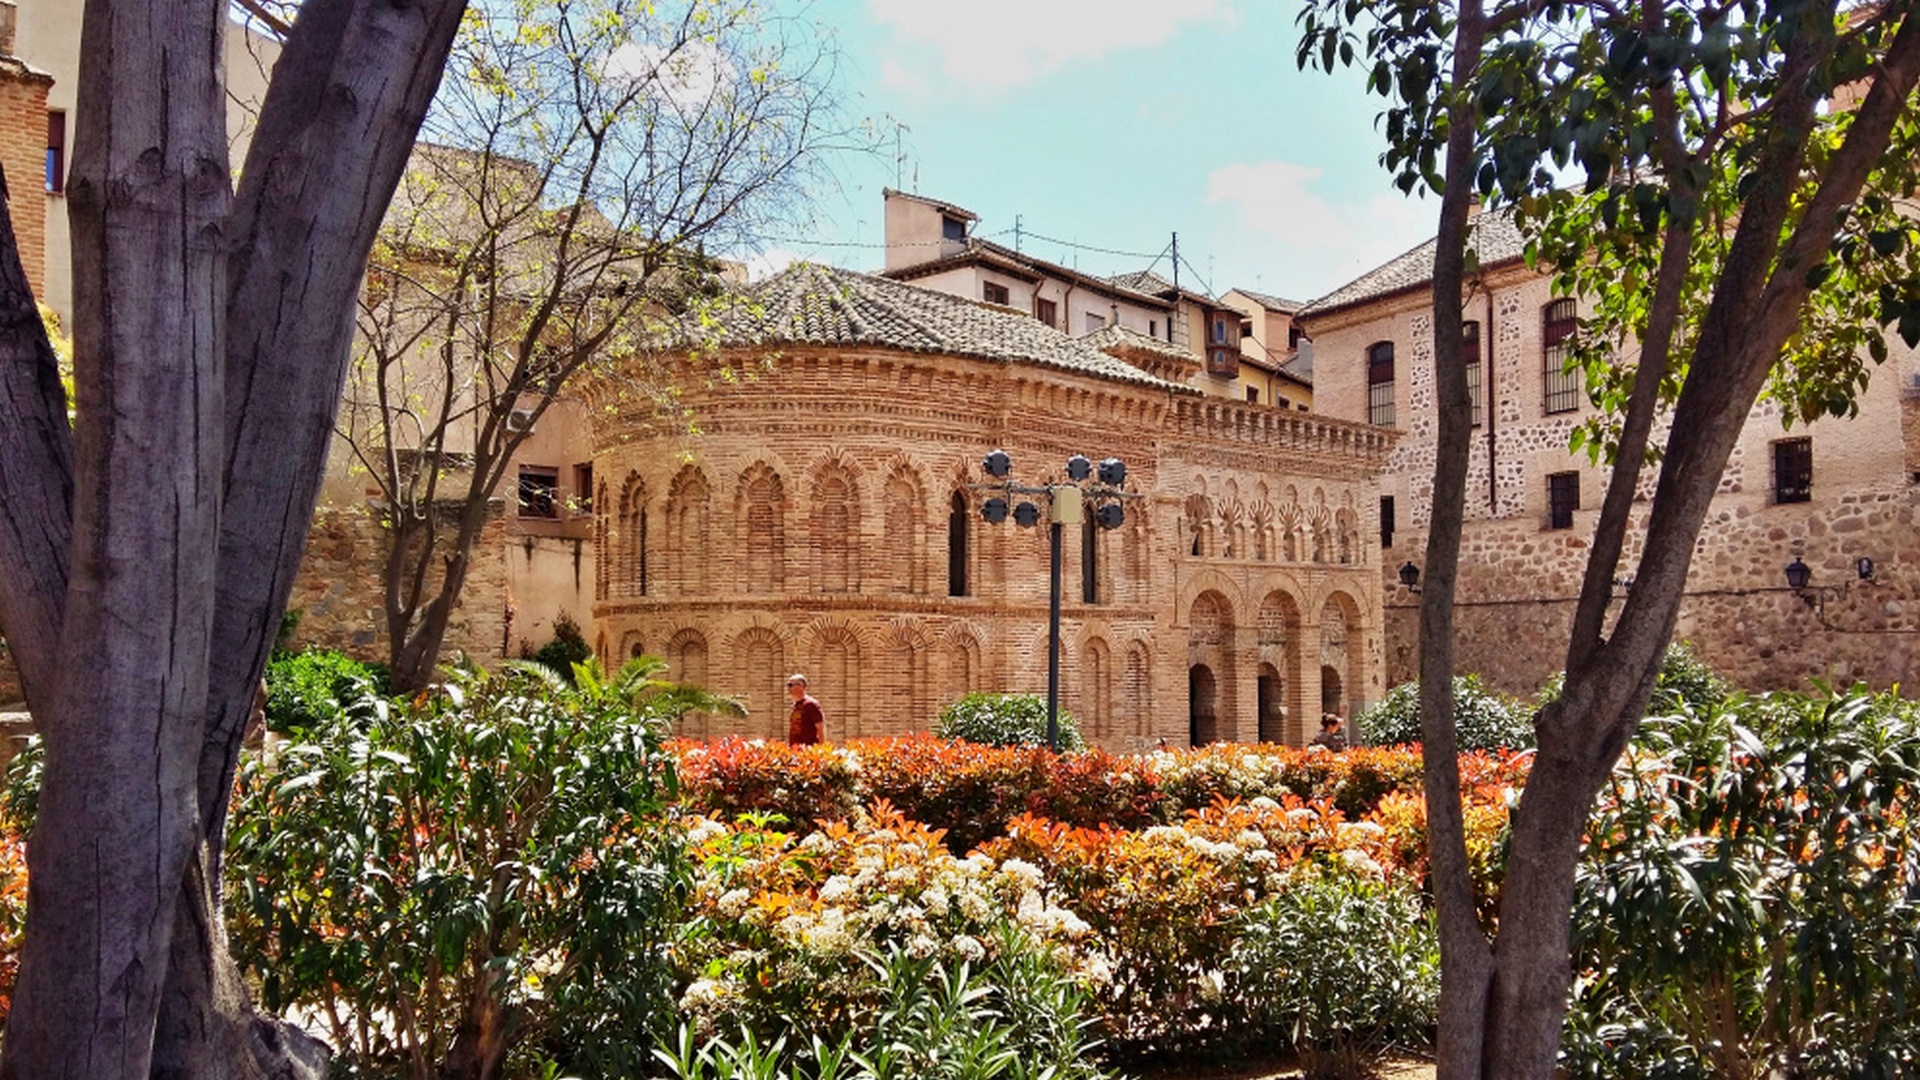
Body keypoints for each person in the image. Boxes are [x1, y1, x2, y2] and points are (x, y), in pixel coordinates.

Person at [786, 673, 824, 745]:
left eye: (790, 685)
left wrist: (821, 748)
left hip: (808, 750)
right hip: (795, 749)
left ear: (801, 686)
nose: (788, 688)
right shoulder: (795, 705)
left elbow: (820, 728)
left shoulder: (811, 704)